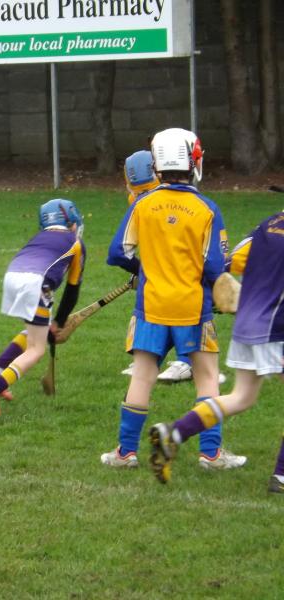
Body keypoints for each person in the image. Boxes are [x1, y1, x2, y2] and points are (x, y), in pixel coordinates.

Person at [101, 127, 245, 471]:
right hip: (192, 308)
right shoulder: (206, 208)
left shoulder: (143, 204)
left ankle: (125, 453)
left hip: (150, 306)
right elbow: (216, 266)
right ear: (192, 161)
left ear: (157, 165)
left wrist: (144, 267)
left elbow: (118, 252)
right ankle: (210, 454)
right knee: (207, 377)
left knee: (143, 376)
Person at [149, 209, 284, 489]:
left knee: (242, 396)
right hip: (275, 325)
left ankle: (174, 433)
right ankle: (281, 475)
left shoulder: (269, 222)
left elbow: (234, 260)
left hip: (247, 320)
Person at [119, 150, 227, 385]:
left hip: (188, 269)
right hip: (164, 275)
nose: (141, 194)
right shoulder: (143, 201)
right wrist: (142, 268)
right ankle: (154, 361)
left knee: (189, 306)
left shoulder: (172, 199)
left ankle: (189, 362)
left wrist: (140, 268)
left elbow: (119, 250)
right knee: (160, 310)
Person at [0, 198, 86, 417]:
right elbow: (72, 291)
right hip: (36, 283)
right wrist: (59, 323)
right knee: (37, 348)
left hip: (12, 277)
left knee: (34, 331)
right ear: (70, 219)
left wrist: (53, 323)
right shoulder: (76, 242)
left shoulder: (38, 237)